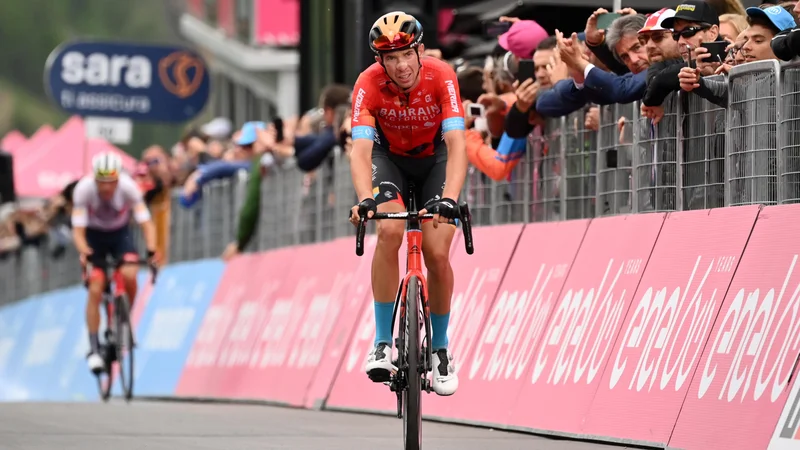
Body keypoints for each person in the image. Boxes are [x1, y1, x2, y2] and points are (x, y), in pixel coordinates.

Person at [347, 11, 467, 396]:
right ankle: (383, 342)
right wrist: (364, 198)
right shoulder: (367, 83)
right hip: (390, 160)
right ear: (378, 60)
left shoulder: (441, 75)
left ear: (420, 51)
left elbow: (458, 146)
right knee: (390, 230)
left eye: (406, 55)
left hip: (435, 161)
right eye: (389, 58)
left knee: (436, 251)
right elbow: (361, 149)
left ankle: (442, 349)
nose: (399, 66)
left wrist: (450, 199)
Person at [71, 152, 159, 374]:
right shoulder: (83, 190)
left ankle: (123, 319)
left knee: (130, 274)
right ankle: (94, 348)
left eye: (111, 182)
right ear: (95, 179)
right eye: (102, 182)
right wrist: (85, 251)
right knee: (96, 287)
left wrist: (151, 250)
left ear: (118, 179)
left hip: (120, 234)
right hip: (94, 236)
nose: (106, 188)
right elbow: (78, 231)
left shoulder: (129, 188)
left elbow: (147, 224)